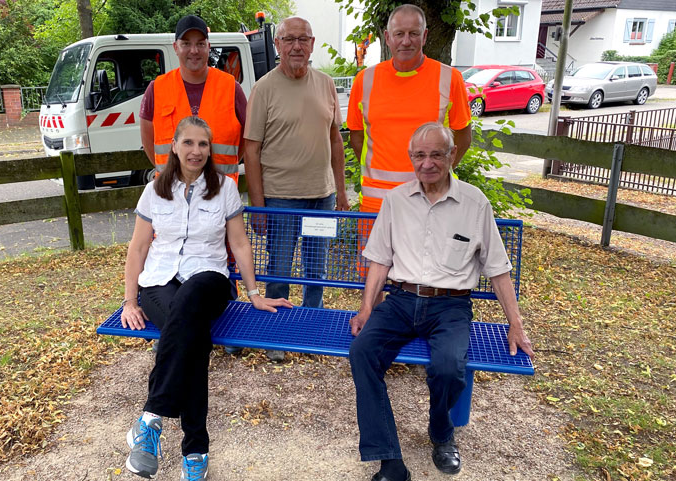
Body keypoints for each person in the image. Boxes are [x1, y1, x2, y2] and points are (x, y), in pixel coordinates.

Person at [348, 123, 535, 480]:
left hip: (450, 306)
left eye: (436, 154)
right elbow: (379, 259)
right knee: (362, 352)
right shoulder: (396, 200)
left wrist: (516, 322)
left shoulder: (474, 202)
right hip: (401, 300)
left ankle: (441, 432)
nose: (428, 163)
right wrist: (366, 309)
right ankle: (390, 460)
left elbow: (497, 268)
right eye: (420, 155)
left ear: (451, 156)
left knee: (450, 367)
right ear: (411, 159)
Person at [120, 116, 292, 480]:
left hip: (209, 279)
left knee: (191, 306)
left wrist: (255, 294)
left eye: (203, 144)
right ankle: (195, 448)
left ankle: (151, 419)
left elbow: (239, 243)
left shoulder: (225, 187)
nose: (196, 151)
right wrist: (130, 301)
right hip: (158, 282)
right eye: (188, 143)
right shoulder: (154, 190)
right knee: (193, 339)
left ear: (210, 149)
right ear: (175, 147)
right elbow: (137, 249)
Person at [244, 16, 348, 362]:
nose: (296, 47)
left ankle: (312, 326)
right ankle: (277, 332)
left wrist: (342, 192)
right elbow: (251, 150)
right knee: (280, 267)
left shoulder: (326, 84)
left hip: (322, 196)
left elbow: (336, 141)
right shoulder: (264, 88)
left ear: (313, 43)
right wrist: (258, 205)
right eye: (289, 40)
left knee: (316, 268)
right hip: (281, 198)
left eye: (303, 39)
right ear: (277, 45)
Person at [347, 4, 472, 214]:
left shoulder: (450, 78)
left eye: (414, 33)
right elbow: (356, 138)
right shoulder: (364, 80)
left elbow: (463, 137)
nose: (406, 41)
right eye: (399, 34)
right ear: (387, 37)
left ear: (425, 37)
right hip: (376, 202)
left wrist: (439, 173)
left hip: (432, 200)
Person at [139, 15, 247, 184]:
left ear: (208, 47)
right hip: (172, 192)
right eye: (186, 43)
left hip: (219, 192)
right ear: (176, 47)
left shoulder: (231, 87)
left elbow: (246, 140)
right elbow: (148, 143)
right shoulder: (156, 89)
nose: (194, 50)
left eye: (200, 43)